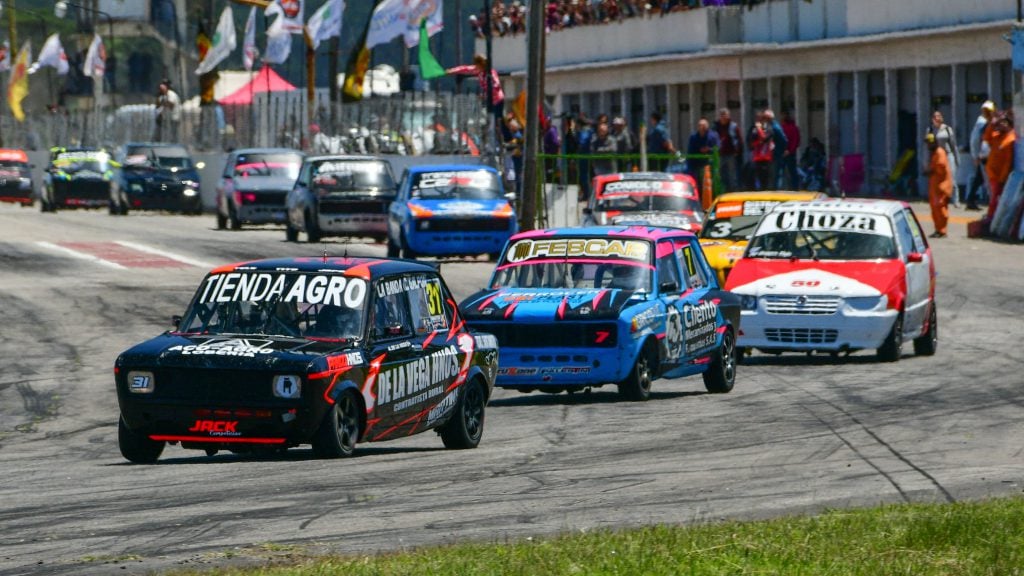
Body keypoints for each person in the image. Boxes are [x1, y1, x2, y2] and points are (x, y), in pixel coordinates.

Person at [983, 110, 1015, 222]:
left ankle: (992, 217)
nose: (1001, 124)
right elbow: (986, 138)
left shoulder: (1010, 138)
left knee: (995, 198)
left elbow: (1008, 161)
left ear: (1009, 124)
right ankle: (992, 217)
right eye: (1000, 122)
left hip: (1000, 176)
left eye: (1004, 122)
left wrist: (1002, 178)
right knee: (994, 197)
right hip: (992, 173)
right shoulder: (997, 136)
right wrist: (992, 124)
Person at [927, 110, 960, 207]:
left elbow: (953, 145)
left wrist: (957, 158)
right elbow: (928, 146)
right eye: (935, 116)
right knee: (938, 179)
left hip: (948, 155)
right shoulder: (930, 130)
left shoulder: (947, 129)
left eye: (939, 116)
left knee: (952, 178)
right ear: (932, 119)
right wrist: (927, 161)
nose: (938, 118)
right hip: (936, 157)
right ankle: (942, 199)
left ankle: (956, 200)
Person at [967, 100, 994, 211]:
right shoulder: (982, 124)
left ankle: (971, 199)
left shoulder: (987, 123)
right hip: (984, 157)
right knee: (986, 180)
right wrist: (976, 155)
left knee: (980, 178)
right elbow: (975, 140)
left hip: (985, 156)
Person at [923, 133, 952, 238]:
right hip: (935, 187)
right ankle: (938, 229)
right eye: (927, 143)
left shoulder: (940, 152)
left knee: (941, 209)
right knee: (935, 210)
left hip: (942, 187)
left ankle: (942, 230)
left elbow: (940, 168)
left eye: (930, 143)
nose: (928, 145)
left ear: (935, 142)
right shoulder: (934, 153)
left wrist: (929, 171)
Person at [686, 118, 720, 196]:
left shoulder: (713, 136)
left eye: (704, 126)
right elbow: (690, 150)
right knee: (697, 184)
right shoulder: (694, 137)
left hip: (709, 164)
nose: (702, 128)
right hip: (696, 164)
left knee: (710, 184)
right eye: (700, 126)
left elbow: (717, 147)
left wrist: (708, 149)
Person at [714, 108, 743, 192]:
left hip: (731, 154)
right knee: (720, 174)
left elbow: (739, 139)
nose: (723, 117)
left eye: (725, 115)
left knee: (732, 175)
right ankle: (722, 191)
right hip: (719, 154)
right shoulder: (716, 126)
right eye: (722, 115)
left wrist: (737, 151)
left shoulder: (733, 126)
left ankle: (733, 191)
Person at [762, 109, 788, 190]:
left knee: (777, 173)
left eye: (765, 118)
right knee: (773, 174)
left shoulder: (775, 127)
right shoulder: (771, 126)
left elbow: (784, 140)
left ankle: (777, 191)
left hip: (776, 154)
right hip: (772, 154)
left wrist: (781, 150)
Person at [748, 113, 774, 190]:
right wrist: (757, 142)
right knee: (757, 175)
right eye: (758, 119)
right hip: (757, 157)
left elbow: (765, 138)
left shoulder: (769, 128)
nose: (759, 121)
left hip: (766, 157)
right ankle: (758, 189)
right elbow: (750, 140)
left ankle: (767, 190)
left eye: (761, 119)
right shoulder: (753, 129)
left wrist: (759, 130)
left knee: (766, 177)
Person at [154, 78, 181, 142]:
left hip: (173, 118)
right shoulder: (162, 96)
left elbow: (171, 104)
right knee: (163, 135)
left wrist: (163, 102)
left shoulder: (171, 94)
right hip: (166, 119)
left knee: (173, 135)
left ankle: (174, 146)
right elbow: (157, 106)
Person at [781, 110, 801, 189]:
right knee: (789, 172)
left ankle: (793, 187)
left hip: (788, 153)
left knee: (790, 172)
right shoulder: (789, 127)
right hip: (787, 152)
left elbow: (796, 141)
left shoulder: (790, 128)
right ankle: (792, 187)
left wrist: (789, 151)